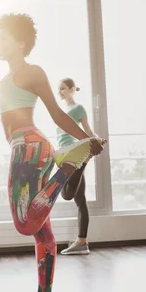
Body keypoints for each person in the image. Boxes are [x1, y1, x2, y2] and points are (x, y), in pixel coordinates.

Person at [0, 13, 105, 292]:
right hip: (26, 147)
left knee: (24, 223)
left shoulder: (32, 71)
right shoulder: (5, 78)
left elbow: (56, 114)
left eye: (3, 37)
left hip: (30, 146)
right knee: (41, 231)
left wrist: (87, 139)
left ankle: (66, 169)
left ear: (20, 42)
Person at [57, 78, 96, 256]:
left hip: (72, 154)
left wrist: (96, 140)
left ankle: (84, 161)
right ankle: (82, 242)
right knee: (80, 200)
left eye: (63, 89)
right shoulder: (63, 110)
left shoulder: (78, 108)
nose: (60, 92)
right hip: (65, 153)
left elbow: (87, 129)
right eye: (59, 89)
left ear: (72, 89)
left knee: (66, 194)